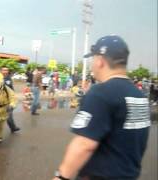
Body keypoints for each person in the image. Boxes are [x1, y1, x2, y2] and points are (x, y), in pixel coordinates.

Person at [52, 35, 150, 180]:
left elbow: (84, 144)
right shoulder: (139, 95)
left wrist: (62, 177)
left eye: (93, 59)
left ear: (100, 61)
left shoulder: (101, 92)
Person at [1, 67, 20, 133]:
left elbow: (11, 88)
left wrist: (13, 96)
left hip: (8, 99)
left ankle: (13, 127)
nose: (5, 71)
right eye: (4, 70)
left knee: (9, 114)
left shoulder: (9, 78)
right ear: (1, 71)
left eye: (6, 70)